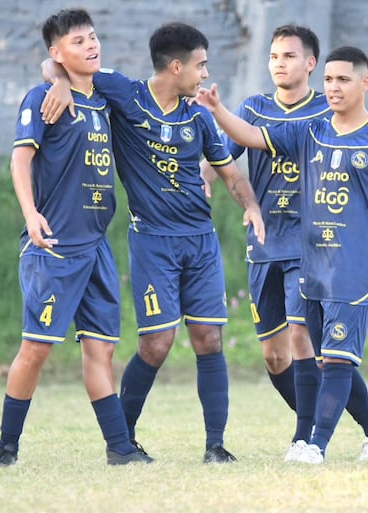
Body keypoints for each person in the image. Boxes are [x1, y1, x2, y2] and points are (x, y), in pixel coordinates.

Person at [196, 45, 368, 463]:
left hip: (354, 268)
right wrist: (217, 111)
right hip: (313, 265)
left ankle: (314, 445)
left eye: (343, 79)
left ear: (365, 83)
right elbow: (252, 137)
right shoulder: (311, 131)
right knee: (329, 360)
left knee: (337, 359)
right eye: (328, 80)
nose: (333, 87)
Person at [40, 22, 265, 463]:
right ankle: (121, 442)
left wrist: (251, 206)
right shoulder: (126, 95)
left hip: (200, 243)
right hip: (153, 242)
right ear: (176, 66)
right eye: (200, 66)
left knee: (208, 338)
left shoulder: (198, 115)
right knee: (156, 344)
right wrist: (61, 83)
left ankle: (215, 445)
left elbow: (230, 173)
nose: (205, 75)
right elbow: (53, 61)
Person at [200, 25, 368, 461]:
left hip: (312, 246)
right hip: (264, 246)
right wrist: (199, 185)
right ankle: (367, 428)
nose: (279, 63)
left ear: (310, 64)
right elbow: (223, 158)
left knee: (306, 340)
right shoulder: (254, 108)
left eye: (289, 55)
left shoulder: (325, 112)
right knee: (275, 357)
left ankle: (307, 438)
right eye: (274, 55)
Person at [0, 8, 151, 468]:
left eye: (93, 37)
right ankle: (6, 450)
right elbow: (20, 162)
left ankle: (119, 448)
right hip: (53, 246)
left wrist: (61, 76)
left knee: (102, 349)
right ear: (58, 53)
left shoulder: (106, 100)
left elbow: (74, 72)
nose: (91, 46)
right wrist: (30, 214)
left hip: (96, 246)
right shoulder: (42, 98)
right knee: (36, 348)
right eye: (78, 42)